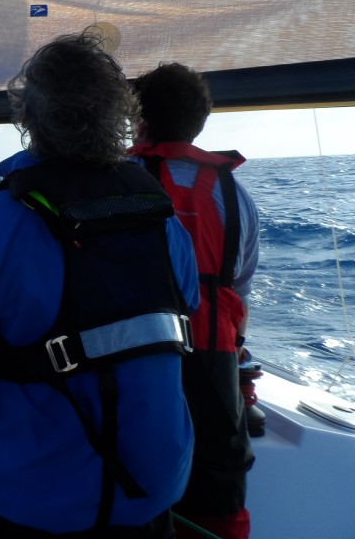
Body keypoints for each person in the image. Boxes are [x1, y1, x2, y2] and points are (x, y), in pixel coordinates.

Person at [0, 32, 200, 538]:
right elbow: (182, 323)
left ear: (28, 118)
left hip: (31, 500)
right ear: (119, 116)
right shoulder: (165, 223)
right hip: (152, 493)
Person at [130, 62, 259, 539]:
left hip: (138, 358)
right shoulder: (237, 197)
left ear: (138, 118)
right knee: (218, 499)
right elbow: (239, 286)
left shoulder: (119, 180)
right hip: (216, 366)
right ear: (200, 123)